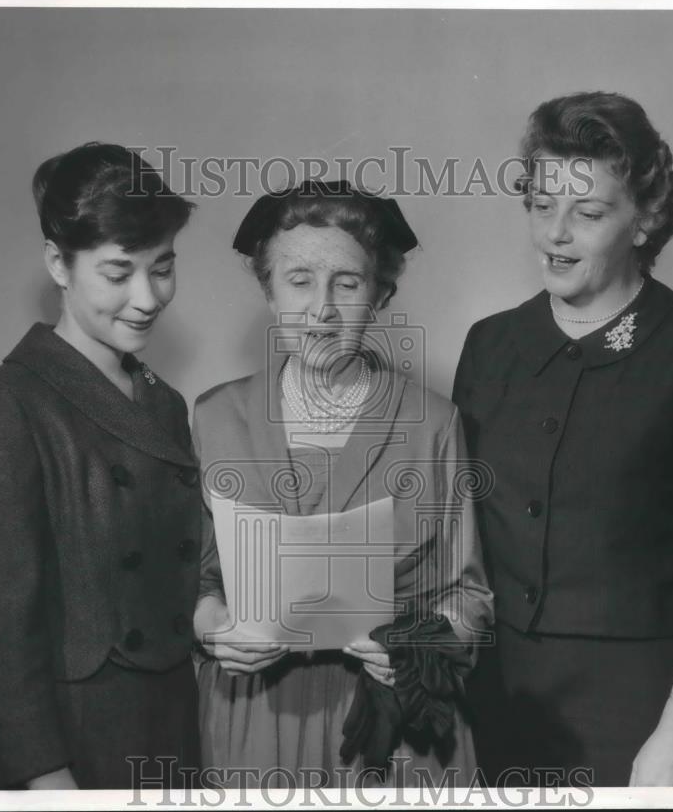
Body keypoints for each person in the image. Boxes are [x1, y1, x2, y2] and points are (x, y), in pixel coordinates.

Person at [452, 92, 673, 787]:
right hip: (493, 694)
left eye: (588, 213)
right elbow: (456, 535)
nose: (555, 234)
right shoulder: (491, 344)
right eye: (540, 206)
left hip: (637, 706)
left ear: (644, 218)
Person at [192, 181, 494, 788]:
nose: (321, 309)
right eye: (299, 279)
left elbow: (471, 597)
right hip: (257, 716)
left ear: (380, 293)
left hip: (393, 724)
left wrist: (414, 650)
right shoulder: (215, 416)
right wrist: (212, 627)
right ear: (269, 292)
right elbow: (200, 580)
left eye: (347, 283)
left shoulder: (434, 422)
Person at [0, 142, 205, 789]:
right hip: (73, 746)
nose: (148, 297)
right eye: (119, 273)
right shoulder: (4, 406)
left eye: (163, 267)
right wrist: (45, 775)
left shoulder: (166, 405)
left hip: (173, 726)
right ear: (57, 265)